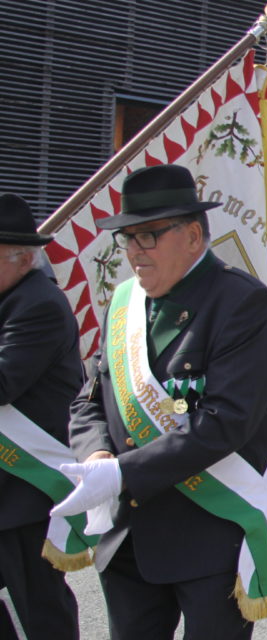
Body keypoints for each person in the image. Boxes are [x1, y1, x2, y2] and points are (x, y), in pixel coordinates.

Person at [58, 164, 267, 639]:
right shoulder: (124, 303)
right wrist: (97, 455)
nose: (135, 252)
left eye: (149, 236)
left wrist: (121, 472)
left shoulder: (241, 302)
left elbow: (227, 419)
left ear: (193, 235)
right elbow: (89, 400)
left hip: (208, 533)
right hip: (129, 536)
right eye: (128, 239)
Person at [0, 193, 81, 640]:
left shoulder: (38, 305)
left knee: (37, 603)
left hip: (25, 484)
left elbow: (3, 383)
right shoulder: (11, 293)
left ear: (22, 258)